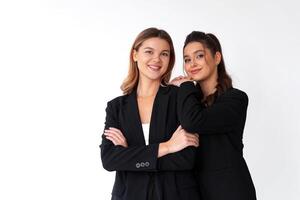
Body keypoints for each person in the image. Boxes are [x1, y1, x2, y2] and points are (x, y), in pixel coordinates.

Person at [100, 28, 201, 200]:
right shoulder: (116, 107)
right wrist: (168, 147)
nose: (157, 59)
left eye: (164, 54)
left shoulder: (179, 98)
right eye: (149, 51)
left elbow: (186, 158)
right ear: (135, 55)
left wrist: (129, 155)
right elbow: (109, 160)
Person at [171, 31, 257, 200]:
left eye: (199, 56)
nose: (192, 64)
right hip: (194, 191)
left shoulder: (235, 99)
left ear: (217, 58)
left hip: (230, 191)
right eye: (187, 59)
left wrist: (186, 85)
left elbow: (193, 121)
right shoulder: (188, 100)